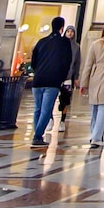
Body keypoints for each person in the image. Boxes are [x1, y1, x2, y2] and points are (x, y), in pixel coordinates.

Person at [29, 15, 74, 147]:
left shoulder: (41, 41)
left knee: (37, 109)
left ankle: (37, 134)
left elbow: (33, 61)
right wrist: (62, 77)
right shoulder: (64, 42)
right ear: (62, 28)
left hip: (38, 80)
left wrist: (38, 71)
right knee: (46, 110)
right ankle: (37, 136)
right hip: (53, 80)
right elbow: (67, 61)